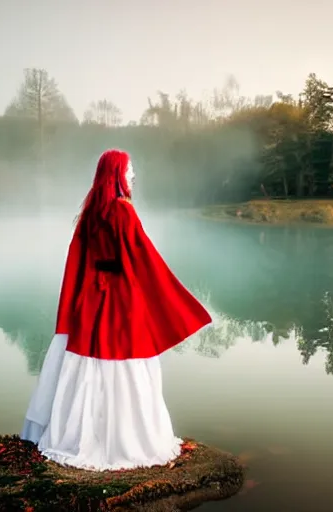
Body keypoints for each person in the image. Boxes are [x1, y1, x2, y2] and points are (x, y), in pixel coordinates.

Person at [20, 149, 212, 471]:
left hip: (90, 304)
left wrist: (71, 307)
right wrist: (174, 301)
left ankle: (82, 438)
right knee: (126, 366)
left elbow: (75, 264)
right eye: (130, 169)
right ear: (116, 175)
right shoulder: (124, 212)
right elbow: (144, 258)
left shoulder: (90, 214)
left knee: (88, 368)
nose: (134, 175)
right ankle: (123, 442)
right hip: (121, 305)